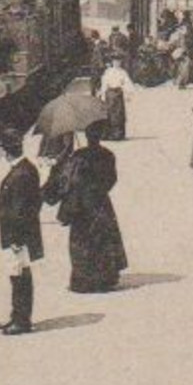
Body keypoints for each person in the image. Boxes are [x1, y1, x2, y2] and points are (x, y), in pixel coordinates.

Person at [60, 123, 129, 292]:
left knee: (82, 241)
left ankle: (84, 280)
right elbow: (112, 179)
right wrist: (100, 190)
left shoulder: (78, 155)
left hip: (81, 204)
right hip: (101, 202)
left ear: (87, 136)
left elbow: (67, 180)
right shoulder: (108, 155)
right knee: (103, 240)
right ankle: (105, 278)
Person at [0, 130, 43, 336]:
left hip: (17, 237)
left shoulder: (20, 173)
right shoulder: (26, 169)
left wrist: (16, 238)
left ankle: (21, 320)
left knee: (19, 276)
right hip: (19, 235)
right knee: (18, 275)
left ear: (7, 151)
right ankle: (17, 316)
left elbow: (21, 209)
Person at [98, 55, 134, 140]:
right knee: (108, 114)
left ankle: (118, 134)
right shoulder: (108, 71)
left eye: (118, 62)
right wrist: (102, 93)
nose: (116, 63)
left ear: (121, 62)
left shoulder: (123, 72)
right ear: (112, 62)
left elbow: (127, 83)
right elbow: (104, 83)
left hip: (118, 94)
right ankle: (107, 134)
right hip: (109, 94)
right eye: (115, 62)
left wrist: (128, 94)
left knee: (118, 115)